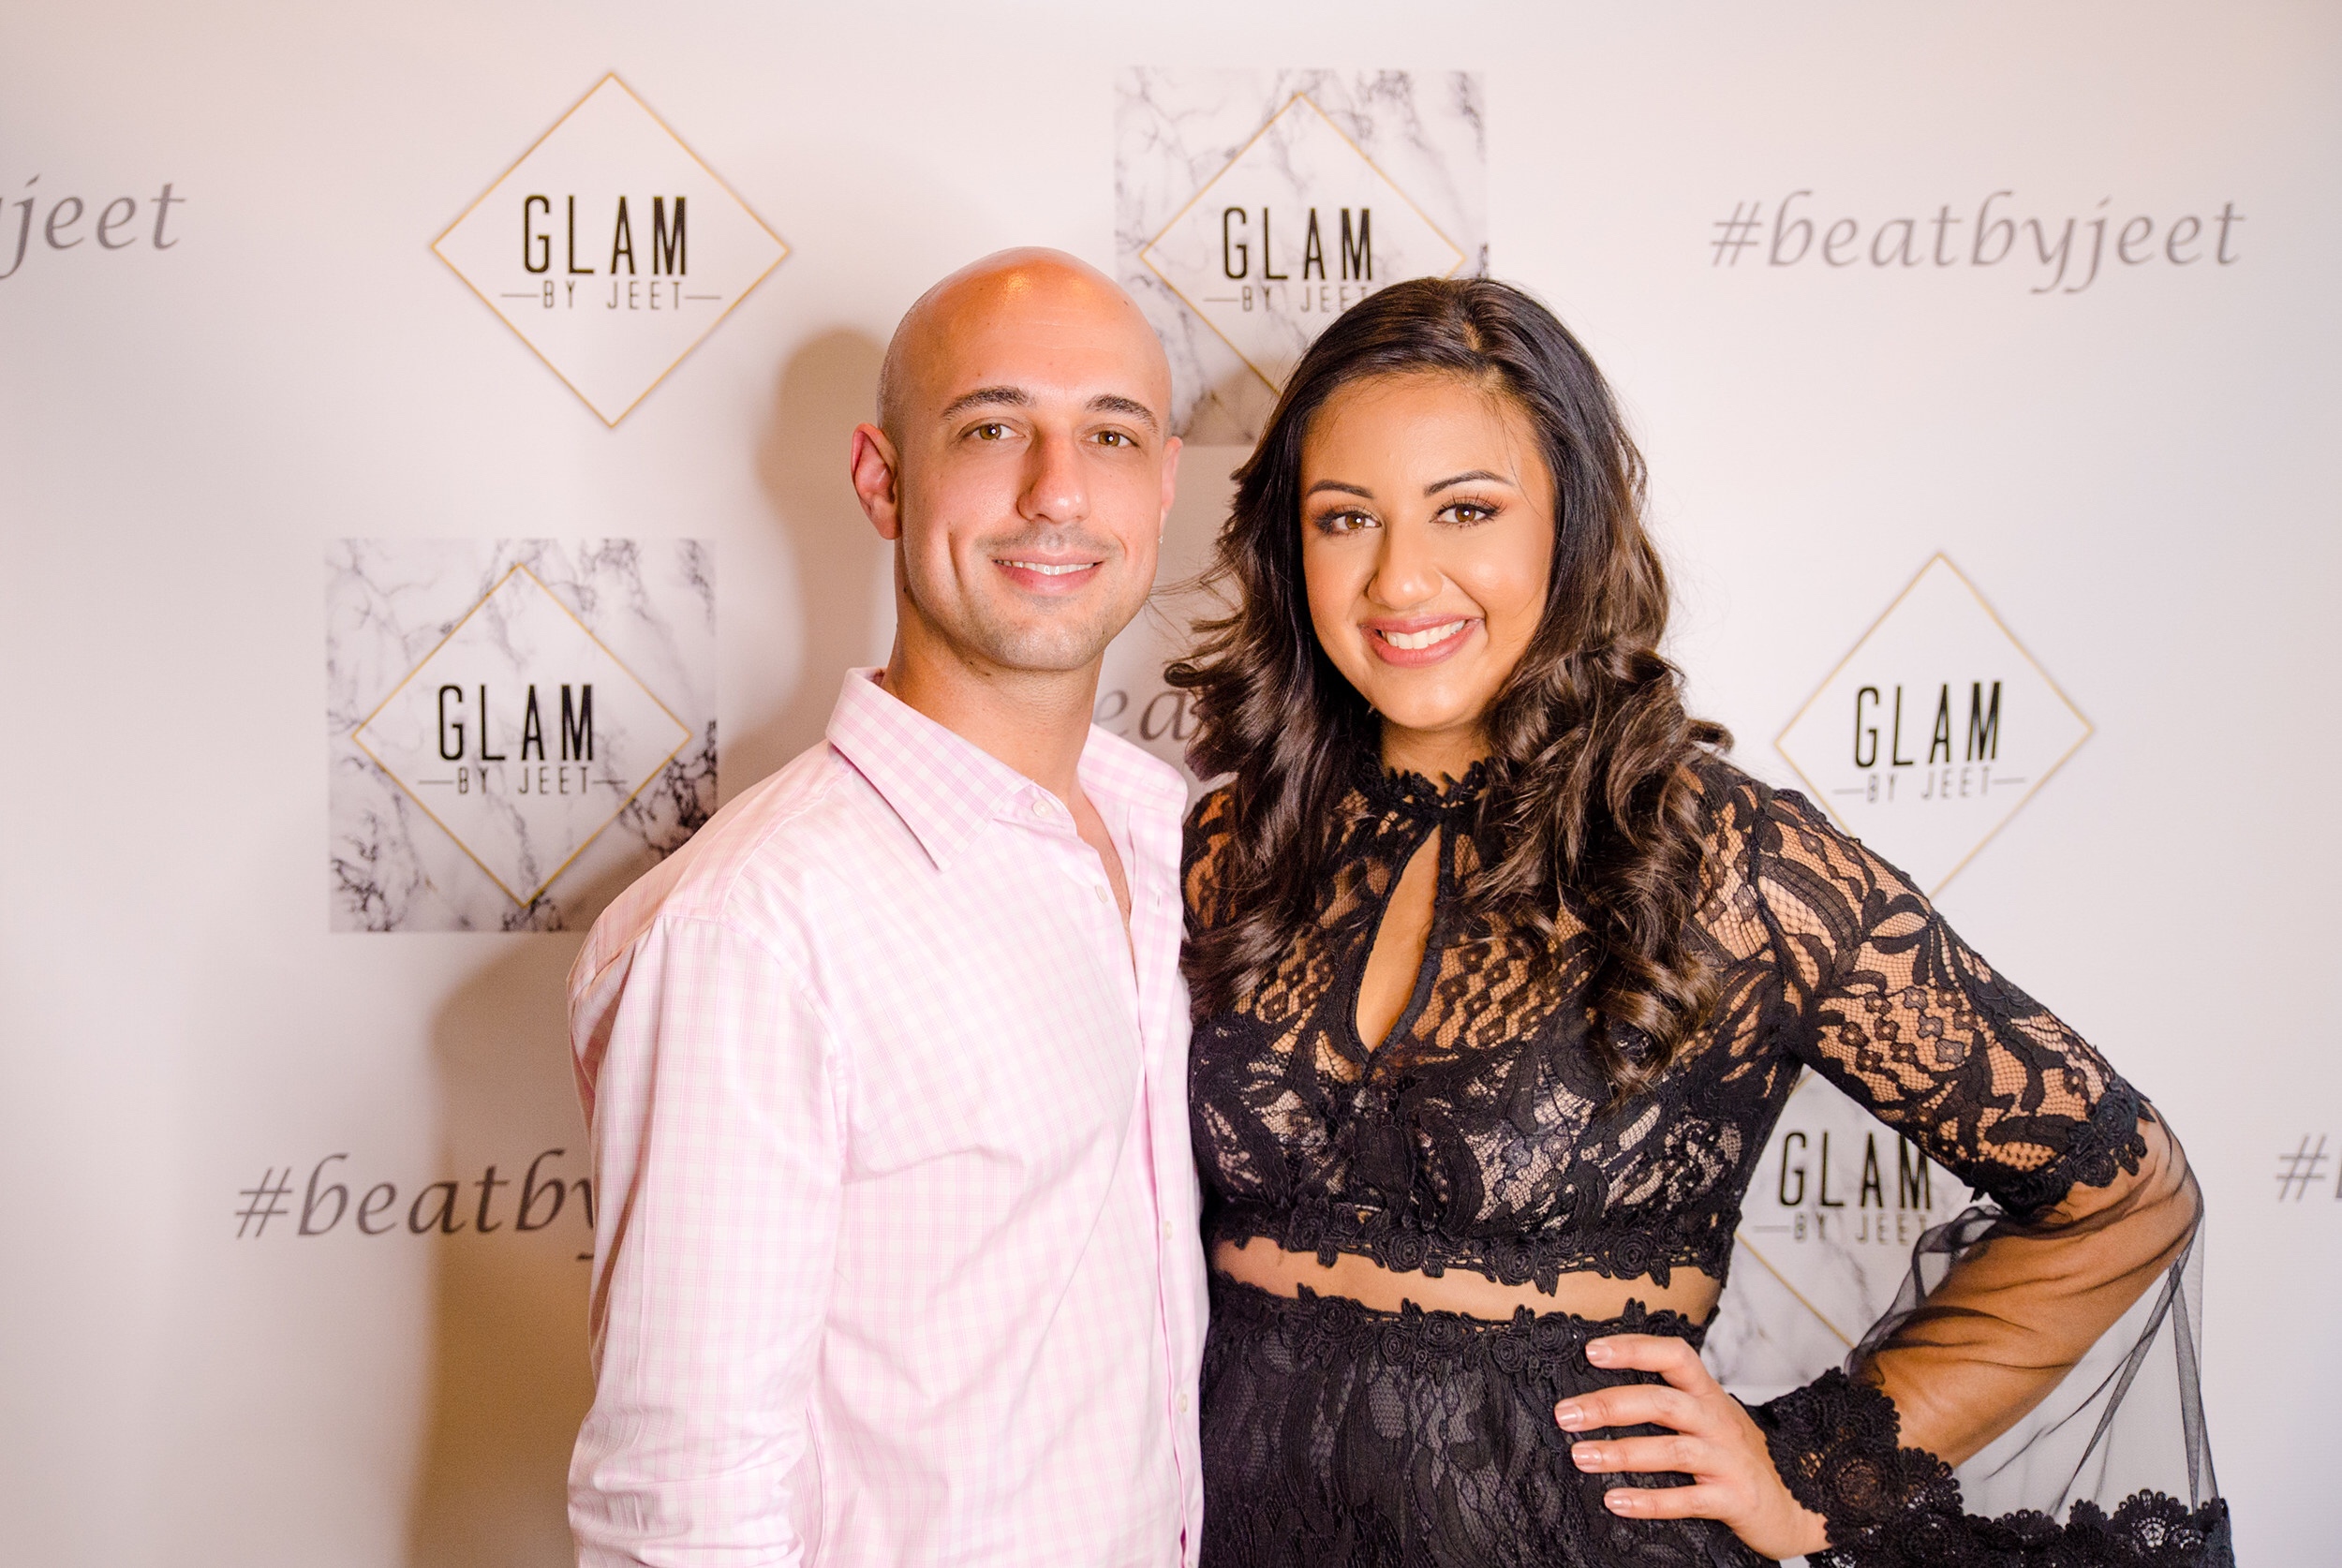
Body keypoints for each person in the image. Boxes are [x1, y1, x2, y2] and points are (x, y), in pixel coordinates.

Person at [1166, 277, 2229, 1566]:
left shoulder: (1724, 860)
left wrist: (1814, 1476)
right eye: (1347, 519)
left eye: (1467, 510)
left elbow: (2124, 1196)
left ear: (1572, 529)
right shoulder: (1225, 846)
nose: (1399, 576)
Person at [565, 249, 1204, 1566]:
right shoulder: (755, 928)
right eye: (992, 428)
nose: (1058, 491)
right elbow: (681, 1505)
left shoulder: (1165, 833)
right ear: (881, 479)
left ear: (1163, 484)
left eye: (1111, 435)